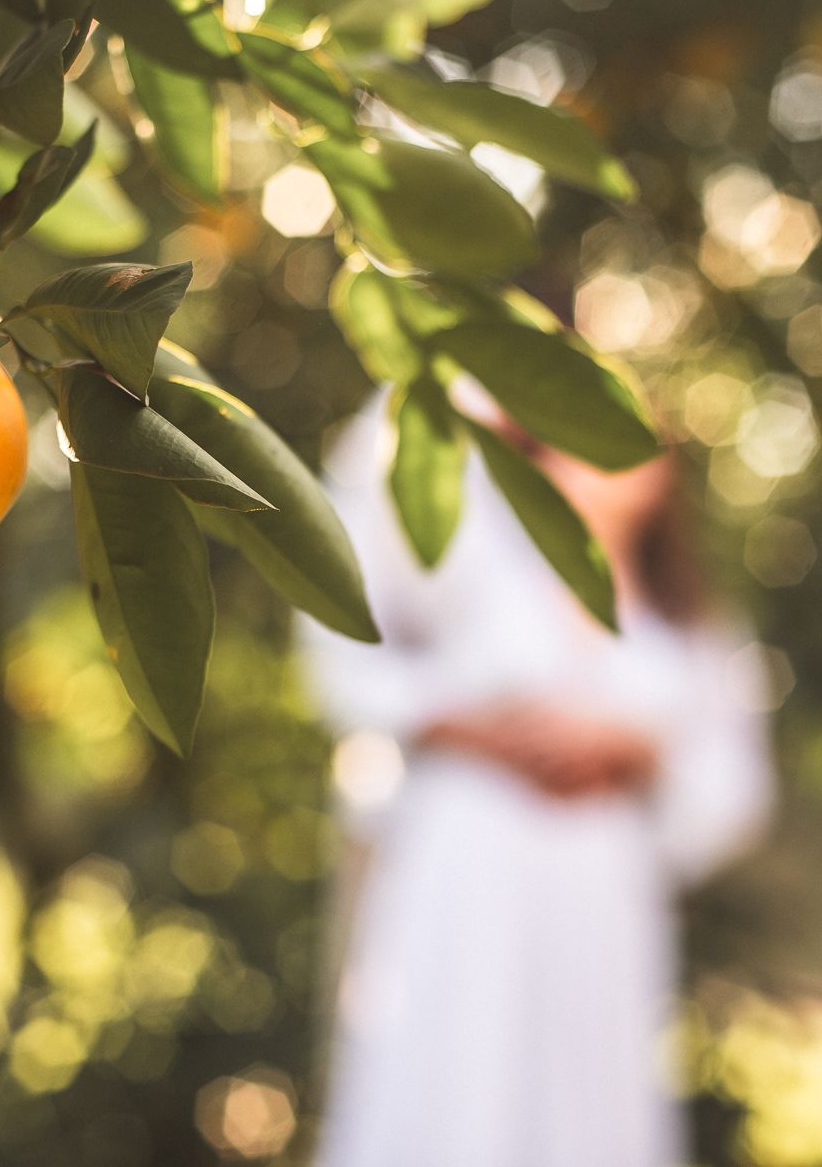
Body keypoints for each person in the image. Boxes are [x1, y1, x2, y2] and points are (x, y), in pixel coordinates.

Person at [300, 388, 776, 1167]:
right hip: (469, 864)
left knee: (584, 1092)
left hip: (597, 888)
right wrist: (473, 728)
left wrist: (634, 751)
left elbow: (731, 788)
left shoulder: (691, 626)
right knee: (454, 1068)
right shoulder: (480, 569)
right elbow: (351, 615)